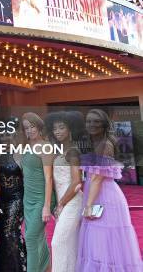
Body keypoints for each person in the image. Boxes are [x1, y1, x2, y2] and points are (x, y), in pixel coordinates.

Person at [77, 109, 142, 271]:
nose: (92, 124)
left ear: (104, 124)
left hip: (104, 196)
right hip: (98, 193)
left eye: (96, 121)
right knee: (100, 240)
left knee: (103, 240)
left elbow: (98, 178)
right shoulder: (99, 142)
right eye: (89, 121)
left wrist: (88, 205)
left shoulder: (105, 144)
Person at [45, 112, 83, 272]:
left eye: (62, 127)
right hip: (64, 202)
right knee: (70, 244)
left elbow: (76, 182)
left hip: (72, 202)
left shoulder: (73, 152)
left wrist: (60, 204)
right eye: (55, 129)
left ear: (70, 129)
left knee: (58, 242)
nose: (58, 131)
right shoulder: (59, 150)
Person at [21, 112, 53, 272]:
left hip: (42, 199)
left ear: (39, 127)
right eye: (26, 128)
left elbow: (49, 179)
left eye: (32, 126)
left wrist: (47, 206)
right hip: (28, 199)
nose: (29, 130)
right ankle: (47, 268)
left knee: (31, 238)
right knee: (38, 238)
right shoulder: (28, 147)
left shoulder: (46, 146)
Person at [0, 120, 26, 272]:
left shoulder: (20, 153)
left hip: (17, 199)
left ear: (14, 134)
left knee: (10, 232)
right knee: (1, 233)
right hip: (1, 200)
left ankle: (20, 267)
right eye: (2, 135)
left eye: (7, 134)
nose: (5, 137)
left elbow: (27, 179)